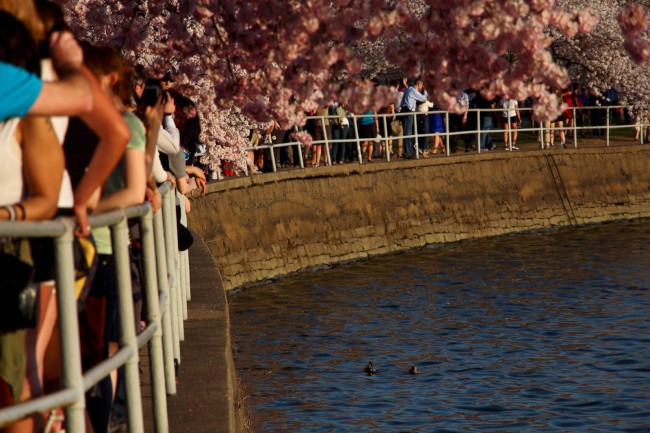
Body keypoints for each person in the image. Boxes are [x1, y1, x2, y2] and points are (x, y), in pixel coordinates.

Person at [400, 79, 429, 158]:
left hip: (405, 111)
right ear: (419, 85)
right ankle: (408, 152)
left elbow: (402, 101)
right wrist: (425, 91)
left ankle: (409, 151)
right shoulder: (414, 91)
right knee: (408, 132)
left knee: (408, 132)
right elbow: (424, 99)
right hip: (409, 112)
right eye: (422, 85)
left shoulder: (408, 89)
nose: (422, 87)